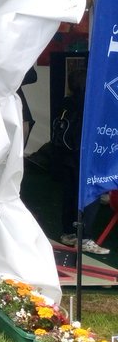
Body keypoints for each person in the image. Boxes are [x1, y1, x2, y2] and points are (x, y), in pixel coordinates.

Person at [53, 69, 110, 255]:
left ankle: (69, 233)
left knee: (70, 192)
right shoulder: (91, 103)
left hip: (67, 154)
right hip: (85, 154)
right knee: (90, 194)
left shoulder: (67, 101)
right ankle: (84, 237)